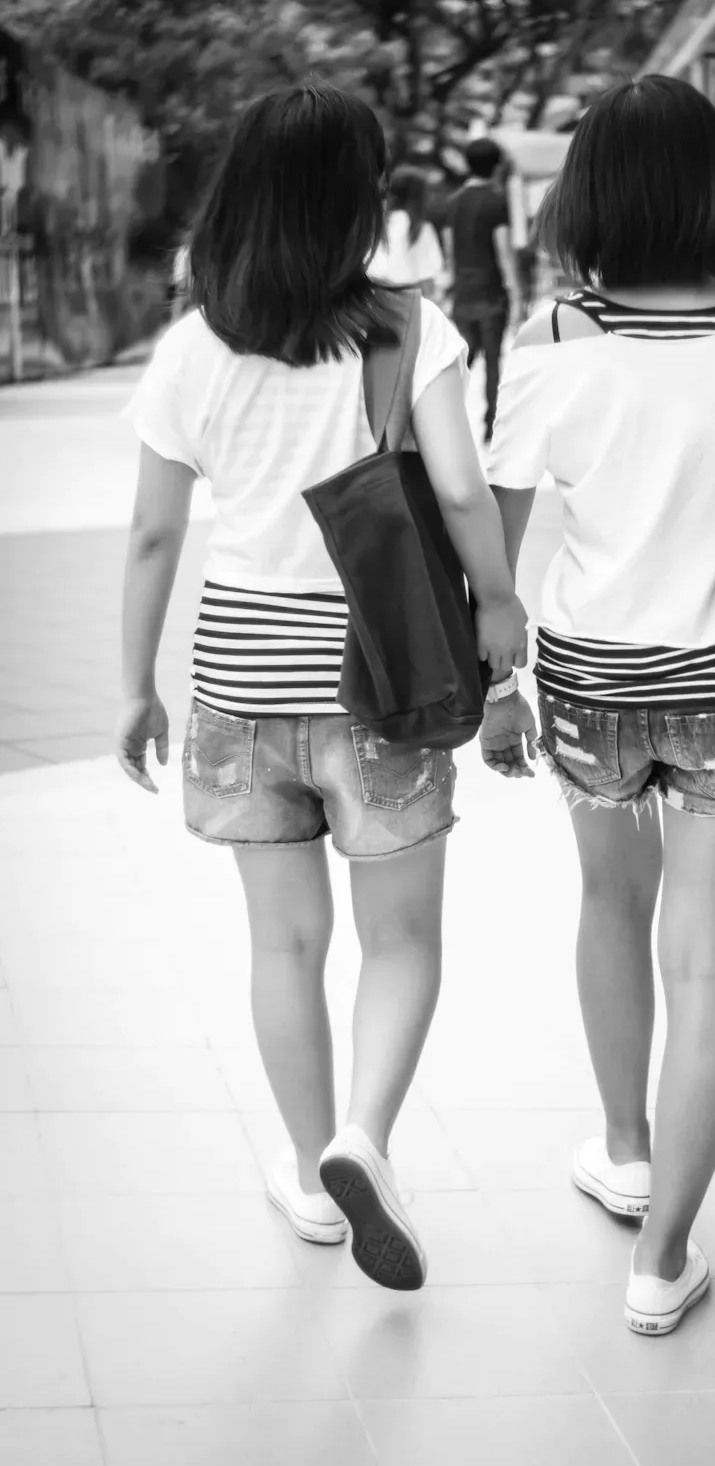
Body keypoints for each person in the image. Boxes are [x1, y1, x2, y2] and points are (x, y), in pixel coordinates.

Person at [115, 84, 528, 1290]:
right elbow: (458, 491)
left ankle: (309, 1173)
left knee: (284, 944)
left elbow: (151, 534)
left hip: (240, 675)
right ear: (359, 201)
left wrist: (133, 686)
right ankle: (364, 1135)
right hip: (379, 675)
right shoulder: (410, 329)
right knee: (400, 939)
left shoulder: (193, 346)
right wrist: (499, 607)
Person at [478, 75, 715, 1337]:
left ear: (585, 200)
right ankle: (662, 1258)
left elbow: (501, 541)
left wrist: (494, 677)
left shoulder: (546, 342)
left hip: (591, 677)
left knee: (607, 903)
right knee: (705, 961)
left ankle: (623, 1146)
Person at [444, 137, 523, 444]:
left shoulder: (454, 202)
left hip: (463, 293)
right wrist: (516, 294)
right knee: (492, 361)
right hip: (491, 292)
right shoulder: (495, 201)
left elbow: (451, 252)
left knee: (464, 360)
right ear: (496, 165)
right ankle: (490, 426)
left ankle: (446, 421)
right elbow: (504, 251)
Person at [369, 165, 445, 300]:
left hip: (377, 298)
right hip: (410, 300)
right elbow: (428, 275)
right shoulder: (420, 229)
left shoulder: (377, 224)